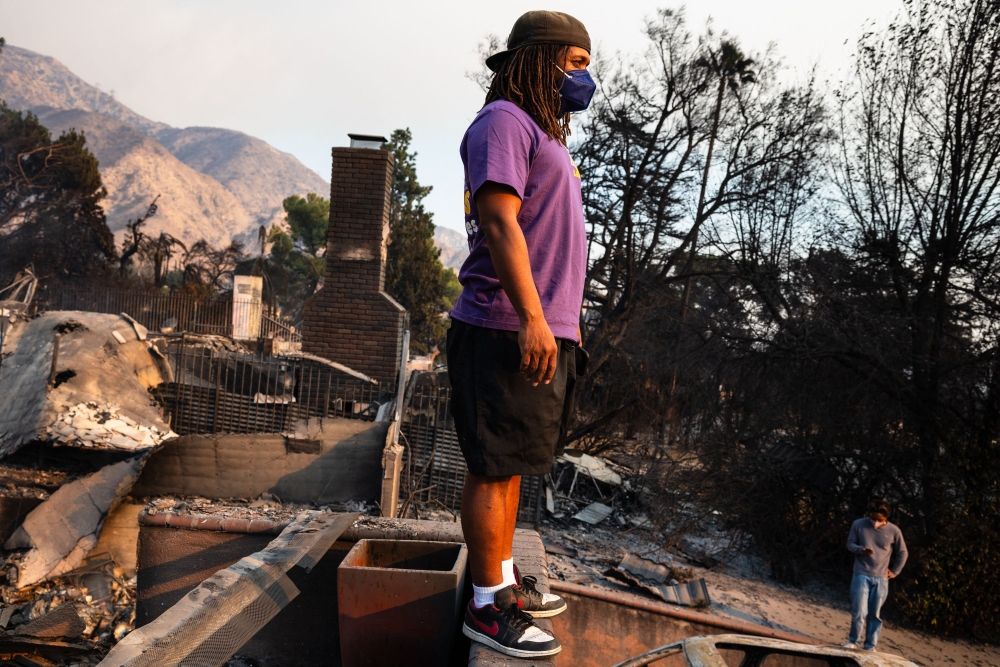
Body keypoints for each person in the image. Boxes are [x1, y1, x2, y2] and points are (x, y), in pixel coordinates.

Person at [446, 9, 595, 659]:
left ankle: (501, 586)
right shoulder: (503, 122)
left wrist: (561, 321)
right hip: (503, 324)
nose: (584, 78)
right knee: (490, 465)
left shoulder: (539, 131)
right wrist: (534, 315)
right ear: (538, 60)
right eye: (576, 62)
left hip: (541, 326)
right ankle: (486, 606)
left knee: (508, 467)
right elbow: (501, 224)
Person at [844, 502, 908, 652]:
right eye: (873, 519)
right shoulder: (859, 524)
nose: (875, 523)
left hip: (881, 578)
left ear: (886, 518)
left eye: (879, 520)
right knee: (859, 610)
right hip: (861, 573)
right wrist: (861, 550)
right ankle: (853, 640)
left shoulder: (894, 530)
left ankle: (870, 645)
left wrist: (895, 571)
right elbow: (850, 544)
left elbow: (903, 552)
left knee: (875, 614)